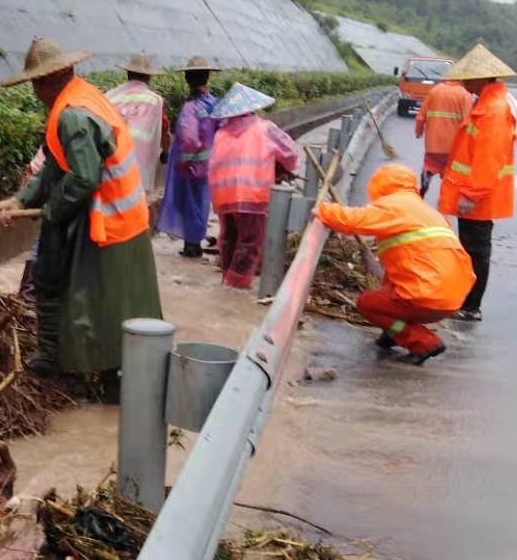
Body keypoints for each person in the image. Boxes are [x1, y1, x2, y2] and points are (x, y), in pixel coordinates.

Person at [0, 37, 162, 388]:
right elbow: (55, 165)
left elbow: (83, 178)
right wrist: (20, 201)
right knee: (88, 291)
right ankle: (62, 359)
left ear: (41, 83)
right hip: (124, 216)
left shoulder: (72, 115)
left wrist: (51, 212)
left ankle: (82, 368)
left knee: (93, 296)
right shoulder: (82, 97)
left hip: (110, 218)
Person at [316, 165, 474, 365]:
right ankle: (391, 333)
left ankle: (421, 341)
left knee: (369, 304)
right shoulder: (422, 209)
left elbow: (354, 220)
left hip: (427, 295)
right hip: (453, 295)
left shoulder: (393, 206)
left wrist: (322, 210)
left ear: (379, 185)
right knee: (390, 281)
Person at [437, 43, 517, 322]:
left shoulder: (493, 110)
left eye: (469, 77)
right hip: (475, 194)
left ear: (484, 78)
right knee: (470, 248)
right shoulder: (485, 104)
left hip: (479, 197)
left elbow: (488, 160)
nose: (465, 82)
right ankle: (466, 301)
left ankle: (471, 306)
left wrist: (471, 194)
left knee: (476, 249)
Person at [208, 82, 297, 288]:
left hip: (223, 194)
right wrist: (284, 168)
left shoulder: (221, 132)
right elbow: (290, 153)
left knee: (228, 237)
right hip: (253, 193)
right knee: (251, 240)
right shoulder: (264, 128)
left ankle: (226, 278)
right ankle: (236, 284)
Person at [156, 56, 219, 257]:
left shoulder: (190, 108)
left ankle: (192, 245)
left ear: (187, 79)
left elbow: (190, 140)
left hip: (191, 166)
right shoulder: (214, 104)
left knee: (189, 204)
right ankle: (195, 241)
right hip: (208, 164)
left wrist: (185, 162)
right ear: (207, 78)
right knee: (201, 203)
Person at [105, 54, 169, 192]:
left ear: (128, 73)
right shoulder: (155, 101)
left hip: (112, 162)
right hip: (139, 167)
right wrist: (166, 152)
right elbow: (164, 130)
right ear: (149, 77)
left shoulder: (109, 96)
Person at [415, 77, 472, 196]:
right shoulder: (465, 95)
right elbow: (468, 122)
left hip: (433, 143)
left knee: (429, 165)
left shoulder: (435, 91)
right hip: (453, 146)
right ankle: (446, 200)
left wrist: (418, 131)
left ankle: (423, 188)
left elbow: (421, 116)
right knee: (450, 174)